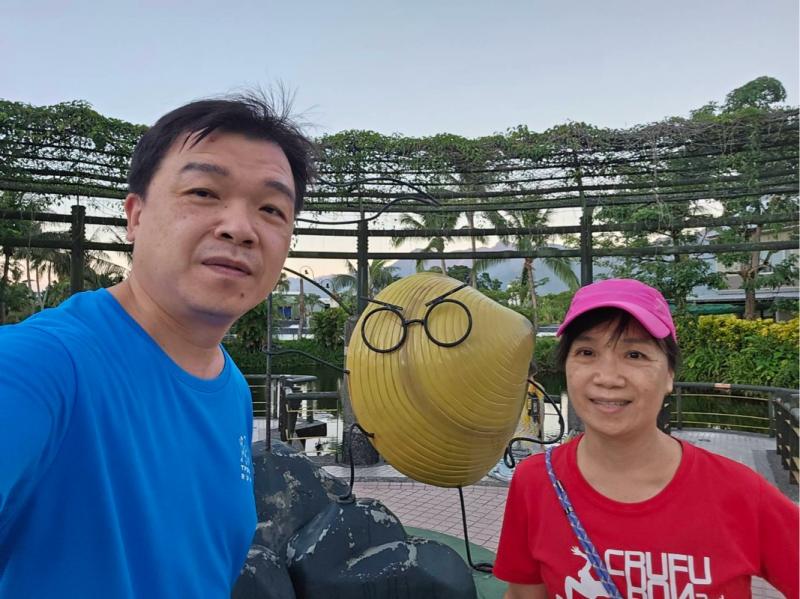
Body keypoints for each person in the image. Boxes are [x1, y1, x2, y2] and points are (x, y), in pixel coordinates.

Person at [0, 95, 315, 597]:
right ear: (136, 216)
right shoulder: (41, 365)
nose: (240, 228)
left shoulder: (231, 388)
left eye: (271, 209)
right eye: (204, 192)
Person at [494, 279, 799, 599]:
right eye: (587, 352)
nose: (608, 378)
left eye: (635, 354)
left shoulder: (740, 494)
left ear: (669, 375)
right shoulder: (536, 482)